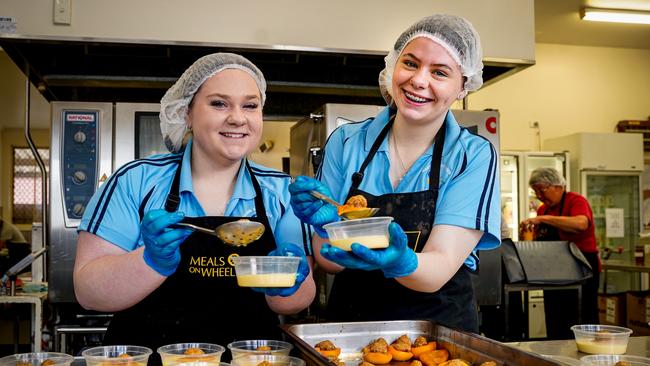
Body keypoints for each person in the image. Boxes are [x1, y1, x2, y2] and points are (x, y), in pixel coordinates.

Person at [73, 53, 315, 361]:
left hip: (251, 359)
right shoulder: (135, 181)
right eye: (219, 103)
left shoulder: (282, 190)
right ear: (187, 113)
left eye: (250, 105)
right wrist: (150, 260)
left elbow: (296, 299)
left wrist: (287, 283)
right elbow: (88, 291)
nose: (238, 118)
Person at [289, 14, 500, 332]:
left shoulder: (471, 155)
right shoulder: (347, 142)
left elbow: (440, 265)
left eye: (440, 72)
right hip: (352, 330)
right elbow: (330, 262)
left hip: (437, 331)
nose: (418, 80)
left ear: (463, 86)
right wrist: (323, 228)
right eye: (411, 63)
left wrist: (401, 262)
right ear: (392, 66)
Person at [522, 167, 600, 339]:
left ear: (558, 186)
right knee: (555, 315)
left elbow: (581, 224)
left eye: (542, 190)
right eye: (536, 192)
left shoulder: (576, 201)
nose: (540, 197)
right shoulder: (543, 209)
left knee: (582, 315)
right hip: (554, 269)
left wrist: (544, 219)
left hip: (582, 265)